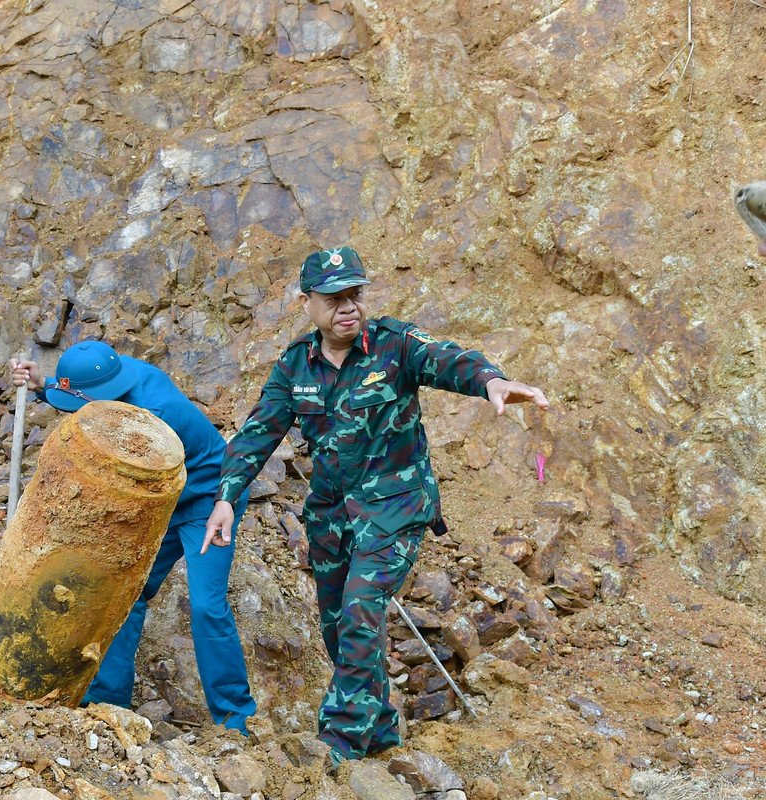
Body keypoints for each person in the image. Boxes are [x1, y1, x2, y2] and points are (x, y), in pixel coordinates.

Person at [201, 246, 549, 764]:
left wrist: (491, 381)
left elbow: (448, 360)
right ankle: (381, 732)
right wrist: (227, 497)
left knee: (361, 610)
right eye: (333, 298)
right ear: (306, 302)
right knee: (337, 628)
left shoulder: (395, 345)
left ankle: (338, 744)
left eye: (355, 294)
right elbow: (257, 434)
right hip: (331, 517)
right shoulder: (296, 365)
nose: (348, 307)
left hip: (394, 508)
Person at [10, 342, 258, 733]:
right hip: (165, 498)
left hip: (210, 501)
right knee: (126, 593)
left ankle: (235, 720)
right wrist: (45, 385)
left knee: (206, 606)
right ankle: (107, 704)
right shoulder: (111, 371)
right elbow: (83, 393)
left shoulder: (153, 417)